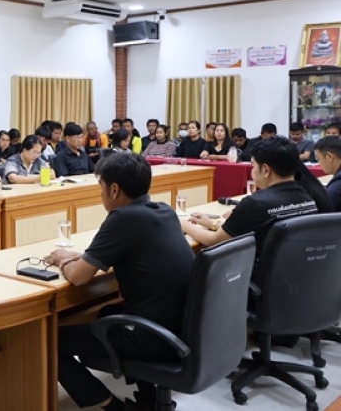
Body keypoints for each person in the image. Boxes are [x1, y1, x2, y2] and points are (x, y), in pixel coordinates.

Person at [45, 154, 194, 411]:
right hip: (181, 329)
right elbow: (136, 252)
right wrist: (85, 257)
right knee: (107, 312)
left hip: (153, 337)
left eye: (100, 187)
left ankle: (114, 407)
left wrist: (62, 259)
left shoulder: (122, 218)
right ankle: (147, 396)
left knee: (49, 342)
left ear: (114, 189)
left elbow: (79, 277)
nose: (100, 194)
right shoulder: (165, 211)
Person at [182, 137, 318, 278]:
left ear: (266, 170)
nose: (252, 172)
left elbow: (213, 241)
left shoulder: (255, 203)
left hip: (255, 280)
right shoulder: (307, 199)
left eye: (253, 166)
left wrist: (183, 224)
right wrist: (212, 224)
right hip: (296, 278)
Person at [315, 136, 341, 210]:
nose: (319, 163)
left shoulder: (338, 185)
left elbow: (322, 206)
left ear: (329, 156)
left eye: (318, 159)